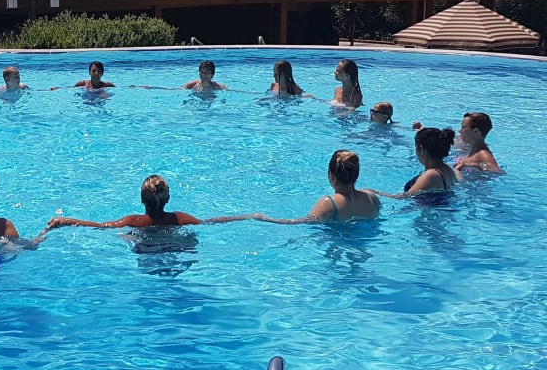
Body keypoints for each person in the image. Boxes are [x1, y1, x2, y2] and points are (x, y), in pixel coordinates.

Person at [45, 174, 243, 231]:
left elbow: (101, 226)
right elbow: (211, 222)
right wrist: (249, 216)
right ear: (168, 198)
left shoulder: (135, 221)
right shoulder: (180, 219)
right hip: (173, 247)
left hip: (146, 251)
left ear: (141, 199)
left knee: (127, 237)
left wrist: (67, 220)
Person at [250, 150, 381, 224]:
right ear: (357, 174)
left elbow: (301, 222)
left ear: (331, 176)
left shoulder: (329, 203)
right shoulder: (372, 198)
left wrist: (264, 218)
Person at [379, 127, 458, 198]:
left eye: (416, 148)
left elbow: (401, 198)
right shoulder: (447, 169)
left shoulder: (431, 175)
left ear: (421, 149)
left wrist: (377, 193)